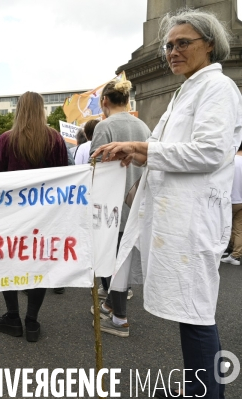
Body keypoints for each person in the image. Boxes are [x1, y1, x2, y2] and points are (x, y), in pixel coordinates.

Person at [93, 8, 242, 398]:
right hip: (175, 220)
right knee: (188, 315)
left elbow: (209, 151)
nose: (173, 51)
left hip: (191, 222)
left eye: (183, 43)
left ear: (209, 45)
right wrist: (138, 157)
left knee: (196, 316)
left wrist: (142, 148)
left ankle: (208, 393)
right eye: (169, 45)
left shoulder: (218, 89)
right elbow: (169, 150)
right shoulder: (187, 90)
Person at [0, 92, 69, 342]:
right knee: (39, 264)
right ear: (42, 110)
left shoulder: (6, 140)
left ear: (19, 110)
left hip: (12, 215)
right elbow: (64, 178)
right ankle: (32, 321)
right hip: (44, 216)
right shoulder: (55, 139)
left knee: (8, 262)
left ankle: (12, 316)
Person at [89, 78, 151, 338]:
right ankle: (112, 304)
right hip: (137, 198)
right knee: (123, 257)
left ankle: (119, 318)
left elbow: (95, 167)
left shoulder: (104, 126)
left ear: (104, 102)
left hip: (111, 203)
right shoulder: (144, 126)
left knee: (113, 259)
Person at [221, 141, 242, 265]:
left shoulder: (232, 160)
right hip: (241, 200)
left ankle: (223, 249)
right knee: (239, 228)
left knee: (223, 226)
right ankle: (236, 255)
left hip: (230, 198)